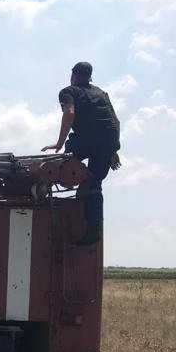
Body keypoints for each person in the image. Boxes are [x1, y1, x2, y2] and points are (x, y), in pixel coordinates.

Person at [42, 61, 121, 246]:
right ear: (90, 76)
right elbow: (116, 122)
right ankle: (92, 235)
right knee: (95, 186)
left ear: (73, 76)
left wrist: (59, 144)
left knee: (66, 163)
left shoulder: (68, 91)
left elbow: (69, 112)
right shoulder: (102, 93)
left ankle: (68, 179)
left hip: (86, 140)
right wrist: (113, 150)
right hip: (108, 142)